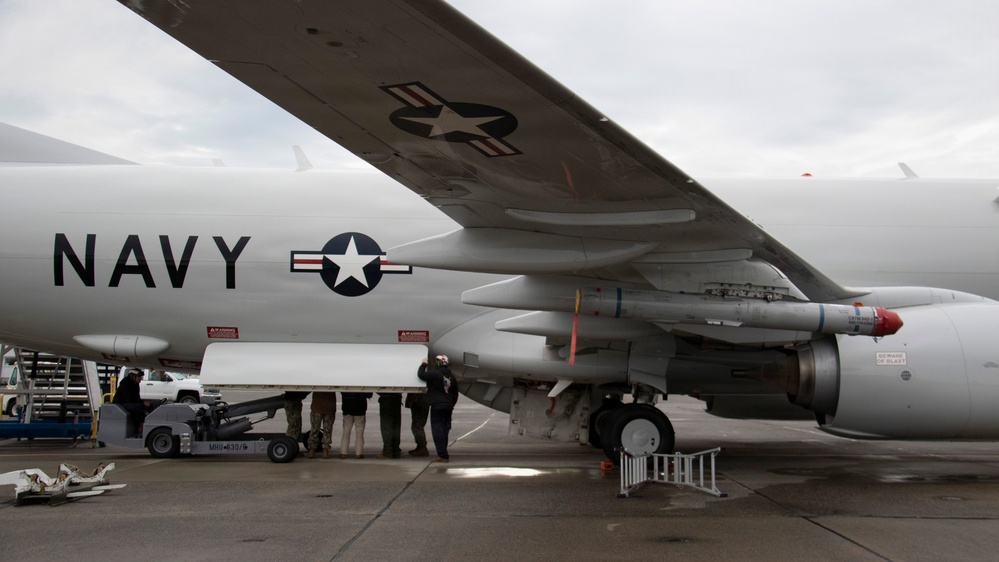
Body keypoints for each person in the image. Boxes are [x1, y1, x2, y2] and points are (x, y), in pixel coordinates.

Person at [418, 354, 459, 463]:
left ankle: (442, 455)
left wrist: (423, 364)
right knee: (445, 429)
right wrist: (451, 404)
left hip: (437, 406)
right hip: (448, 406)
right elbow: (455, 394)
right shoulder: (452, 377)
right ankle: (443, 452)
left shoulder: (435, 374)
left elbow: (421, 375)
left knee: (438, 430)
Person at [112, 368, 147, 437]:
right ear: (133, 376)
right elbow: (129, 399)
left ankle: (144, 424)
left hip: (128, 403)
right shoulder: (126, 384)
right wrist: (142, 403)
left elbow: (136, 398)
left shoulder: (135, 385)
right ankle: (138, 428)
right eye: (139, 377)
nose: (141, 379)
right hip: (120, 404)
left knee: (145, 407)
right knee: (138, 407)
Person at [340, 391, 372, 459]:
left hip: (347, 408)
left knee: (346, 431)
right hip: (360, 409)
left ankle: (343, 452)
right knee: (359, 432)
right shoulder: (362, 383)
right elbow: (369, 394)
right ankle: (359, 453)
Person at [307, 391, 337, 459]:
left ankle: (312, 450)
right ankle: (325, 450)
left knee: (314, 429)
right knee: (327, 430)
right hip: (329, 406)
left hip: (317, 406)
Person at [375, 392, 402, 459]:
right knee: (396, 426)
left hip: (386, 398)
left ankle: (388, 451)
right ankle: (395, 450)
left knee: (386, 426)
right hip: (397, 398)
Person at [405, 391, 430, 456]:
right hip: (421, 401)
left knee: (417, 426)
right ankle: (420, 446)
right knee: (417, 425)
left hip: (419, 402)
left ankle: (422, 446)